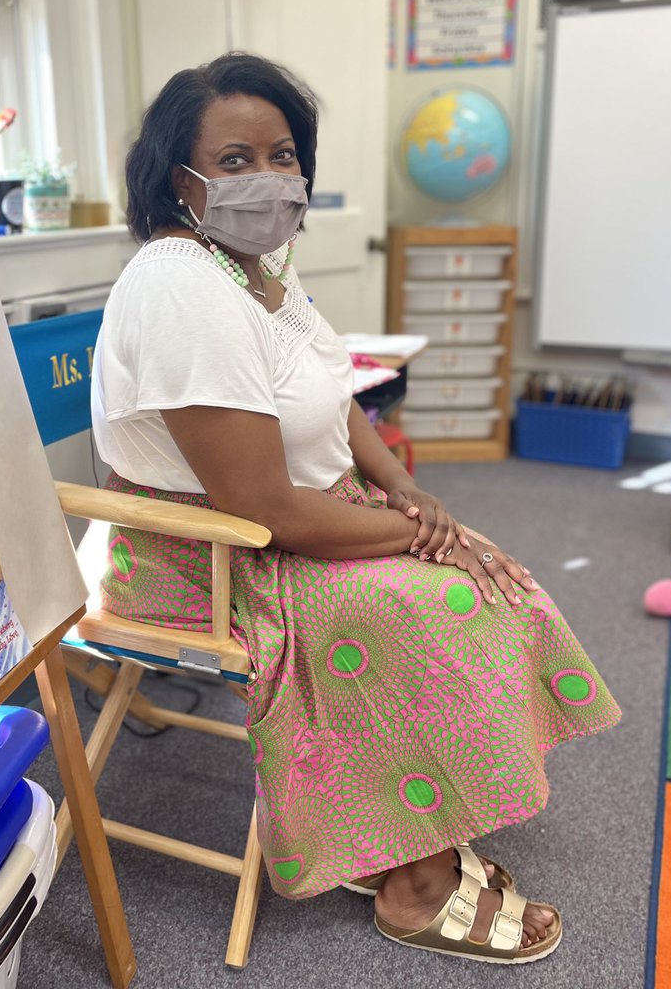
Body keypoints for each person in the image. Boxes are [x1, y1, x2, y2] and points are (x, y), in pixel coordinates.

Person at [90, 53, 620, 965]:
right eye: (234, 159)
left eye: (283, 153)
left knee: (484, 576)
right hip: (212, 554)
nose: (268, 176)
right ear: (177, 176)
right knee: (436, 602)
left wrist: (409, 493)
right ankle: (412, 882)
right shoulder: (182, 284)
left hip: (299, 515)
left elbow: (335, 398)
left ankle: (409, 818)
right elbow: (263, 509)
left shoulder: (260, 267)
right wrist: (416, 533)